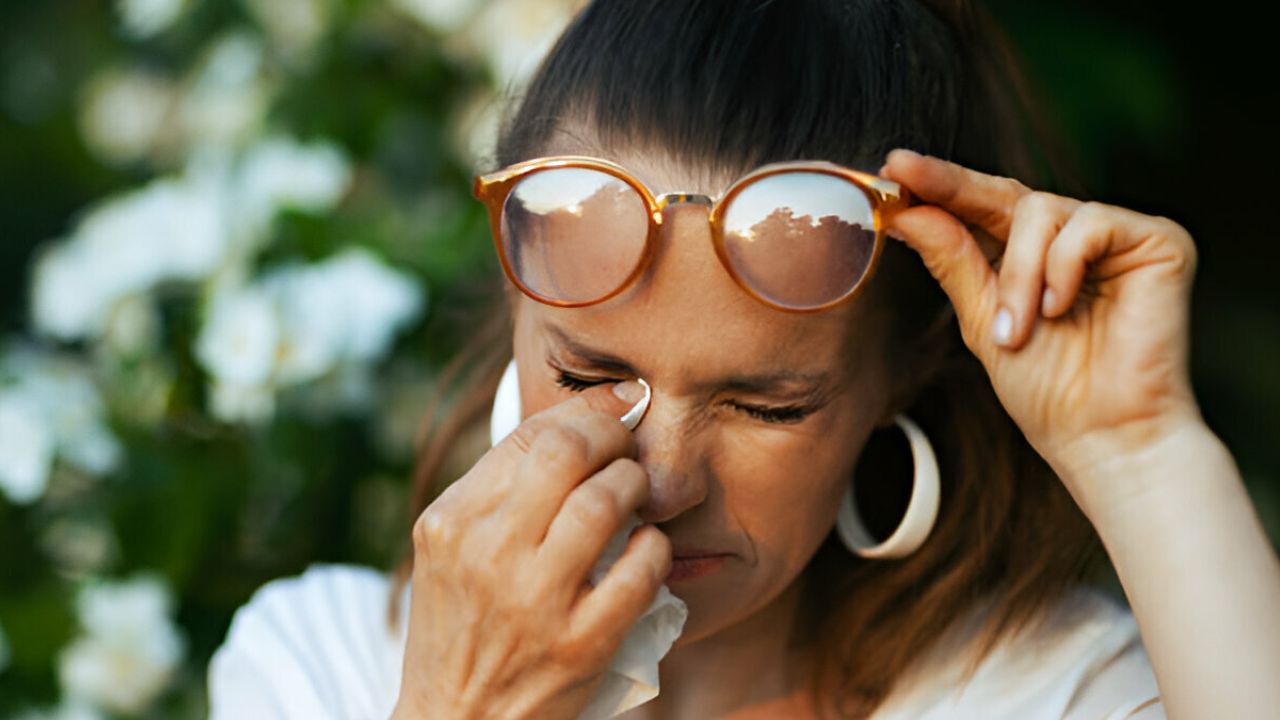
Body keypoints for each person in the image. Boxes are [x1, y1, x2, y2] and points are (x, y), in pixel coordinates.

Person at [207, 2, 1280, 718]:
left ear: (894, 378)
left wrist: (1141, 456)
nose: (664, 478)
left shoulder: (1039, 689)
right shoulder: (321, 666)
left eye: (765, 404)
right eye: (585, 375)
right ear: (514, 297)